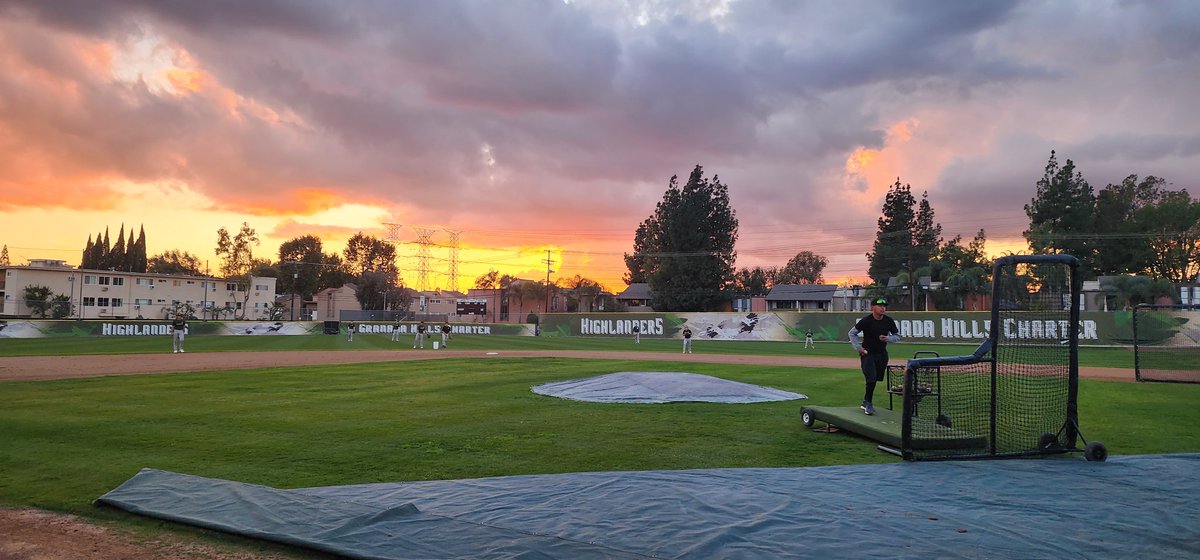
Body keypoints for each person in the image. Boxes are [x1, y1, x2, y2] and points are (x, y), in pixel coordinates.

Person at [848, 298, 900, 415]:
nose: (883, 308)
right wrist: (859, 348)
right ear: (872, 307)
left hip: (882, 354)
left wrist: (888, 338)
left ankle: (865, 401)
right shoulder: (866, 321)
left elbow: (897, 335)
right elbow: (852, 333)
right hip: (868, 353)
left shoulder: (888, 321)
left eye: (884, 306)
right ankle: (869, 404)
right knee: (871, 378)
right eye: (879, 306)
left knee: (876, 379)